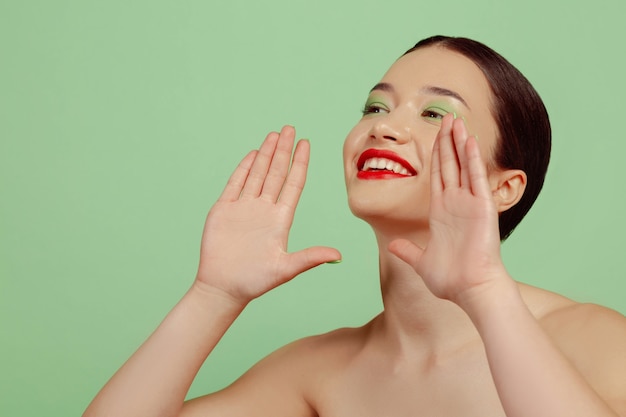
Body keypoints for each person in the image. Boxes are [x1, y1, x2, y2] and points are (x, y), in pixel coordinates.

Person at [83, 35, 626, 417]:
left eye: (435, 113)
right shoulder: (320, 371)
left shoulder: (594, 341)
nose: (385, 127)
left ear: (503, 188)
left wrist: (485, 291)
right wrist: (213, 294)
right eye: (374, 107)